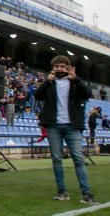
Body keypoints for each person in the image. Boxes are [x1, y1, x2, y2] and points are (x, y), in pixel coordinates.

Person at [34, 55, 97, 204]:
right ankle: (62, 191)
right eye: (56, 66)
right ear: (52, 68)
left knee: (78, 158)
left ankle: (86, 192)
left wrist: (76, 79)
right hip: (53, 125)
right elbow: (37, 96)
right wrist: (47, 81)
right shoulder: (50, 83)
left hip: (72, 125)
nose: (59, 69)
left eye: (62, 66)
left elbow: (88, 94)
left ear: (68, 68)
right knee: (56, 159)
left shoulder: (75, 83)